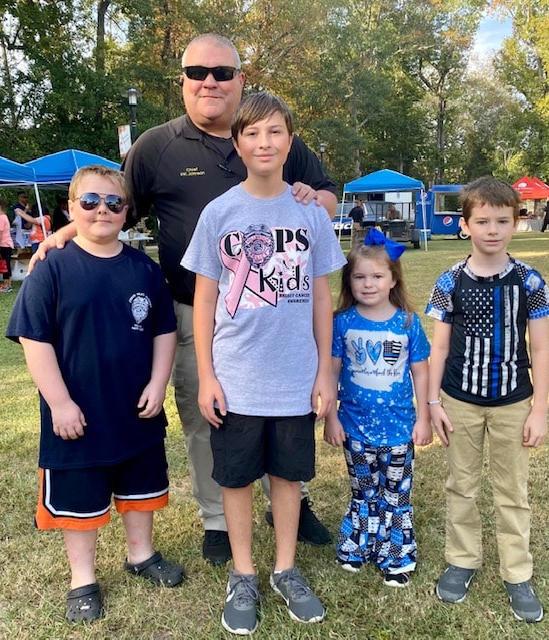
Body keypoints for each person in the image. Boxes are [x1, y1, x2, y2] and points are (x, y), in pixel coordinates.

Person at [31, 33, 337, 564]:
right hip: (192, 307)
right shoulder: (156, 146)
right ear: (183, 82)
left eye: (222, 72)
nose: (209, 82)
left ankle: (292, 501)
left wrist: (314, 197)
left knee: (286, 408)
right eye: (197, 72)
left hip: (279, 309)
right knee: (209, 416)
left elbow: (326, 195)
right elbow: (112, 206)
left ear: (241, 79)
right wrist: (65, 233)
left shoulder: (273, 133)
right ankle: (217, 518)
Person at [181, 92, 346, 635]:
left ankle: (285, 569)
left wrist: (324, 373)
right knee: (235, 479)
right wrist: (207, 375)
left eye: (275, 132)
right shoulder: (219, 213)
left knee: (288, 476)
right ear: (237, 144)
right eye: (251, 133)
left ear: (290, 141)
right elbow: (204, 299)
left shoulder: (309, 212)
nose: (264, 142)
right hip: (236, 377)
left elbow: (321, 297)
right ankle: (244, 573)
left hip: (295, 376)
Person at [6, 165, 183, 625]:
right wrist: (60, 403)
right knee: (80, 498)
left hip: (135, 409)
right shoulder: (51, 268)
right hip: (77, 414)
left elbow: (164, 330)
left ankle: (141, 554)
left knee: (140, 488)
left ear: (127, 212)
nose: (101, 209)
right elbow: (34, 339)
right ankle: (82, 578)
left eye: (113, 202)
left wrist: (158, 383)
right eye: (89, 201)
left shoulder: (145, 270)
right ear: (71, 209)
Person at [425, 176, 549, 624]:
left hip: (513, 402)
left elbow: (541, 348)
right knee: (461, 484)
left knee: (512, 491)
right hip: (458, 400)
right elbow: (439, 347)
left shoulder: (530, 281)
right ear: (465, 225)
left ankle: (517, 572)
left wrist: (539, 410)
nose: (492, 229)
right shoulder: (448, 281)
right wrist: (433, 404)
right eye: (482, 221)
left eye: (502, 220)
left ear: (516, 223)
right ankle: (462, 560)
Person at [324, 228, 430, 586]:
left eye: (377, 276)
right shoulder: (341, 322)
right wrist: (331, 418)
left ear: (393, 279)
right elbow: (331, 372)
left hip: (399, 429)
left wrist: (425, 418)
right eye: (359, 277)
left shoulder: (408, 323)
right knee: (363, 491)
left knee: (396, 495)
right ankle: (358, 545)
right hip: (354, 428)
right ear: (349, 281)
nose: (368, 284)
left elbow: (421, 372)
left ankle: (397, 554)